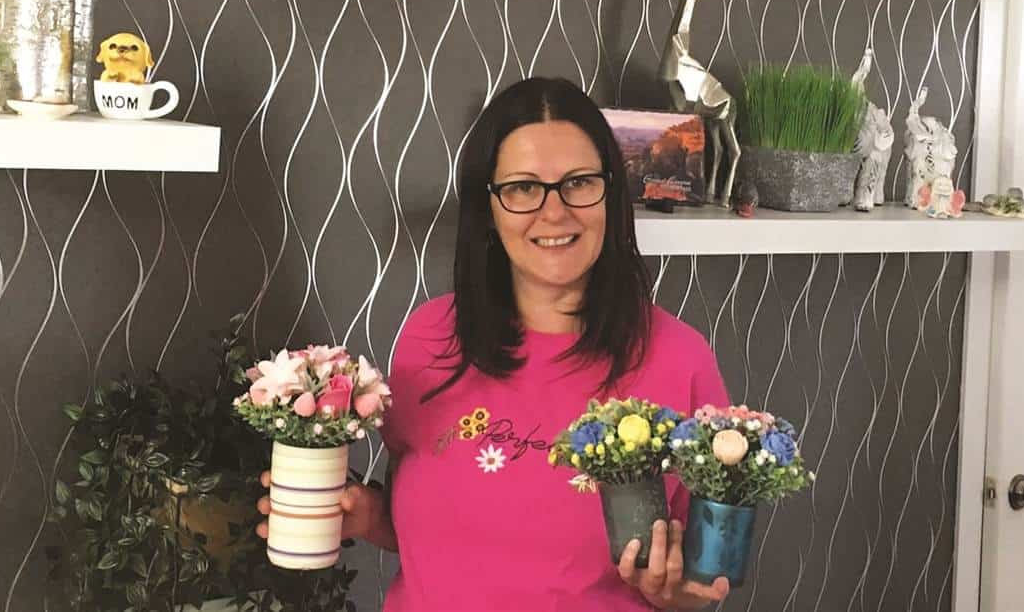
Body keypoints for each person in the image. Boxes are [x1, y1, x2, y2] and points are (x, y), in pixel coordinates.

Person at [258, 77, 732, 611]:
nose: (554, 212)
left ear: (611, 193)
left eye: (578, 182)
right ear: (489, 208)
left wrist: (670, 593)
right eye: (523, 187)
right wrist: (363, 513)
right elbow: (435, 531)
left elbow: (701, 585)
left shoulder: (680, 362)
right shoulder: (430, 340)